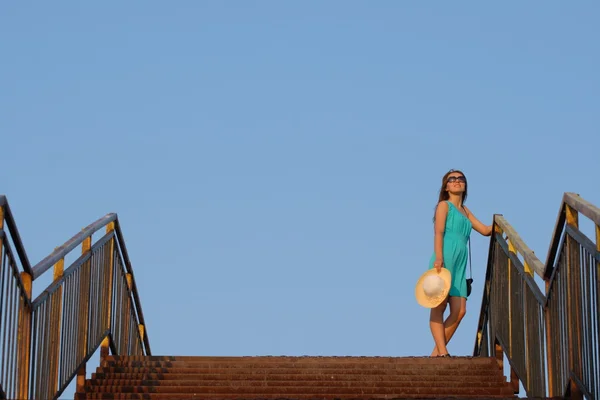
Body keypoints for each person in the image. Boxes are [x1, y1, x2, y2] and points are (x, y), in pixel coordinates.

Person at [428, 169, 492, 357]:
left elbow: (485, 230)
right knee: (439, 306)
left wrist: (498, 224)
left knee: (460, 311)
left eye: (460, 179)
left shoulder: (465, 211)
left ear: (465, 185)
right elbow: (438, 233)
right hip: (445, 257)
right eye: (452, 179)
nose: (457, 181)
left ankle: (435, 355)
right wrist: (439, 258)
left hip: (460, 264)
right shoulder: (443, 206)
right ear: (446, 186)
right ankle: (442, 352)